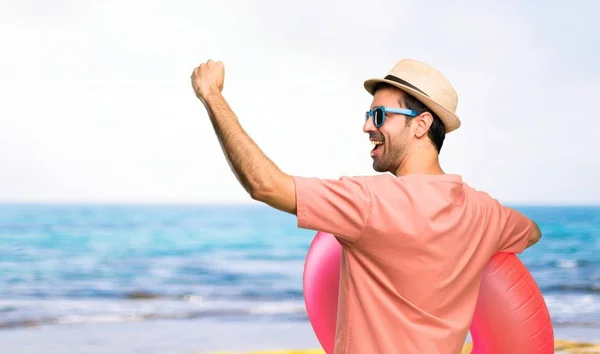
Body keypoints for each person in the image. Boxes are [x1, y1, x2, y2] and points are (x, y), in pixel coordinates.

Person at [190, 58, 542, 354]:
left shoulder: (370, 202)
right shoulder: (484, 213)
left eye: (378, 116)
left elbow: (264, 185)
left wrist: (212, 96)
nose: (365, 127)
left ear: (421, 125)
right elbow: (531, 232)